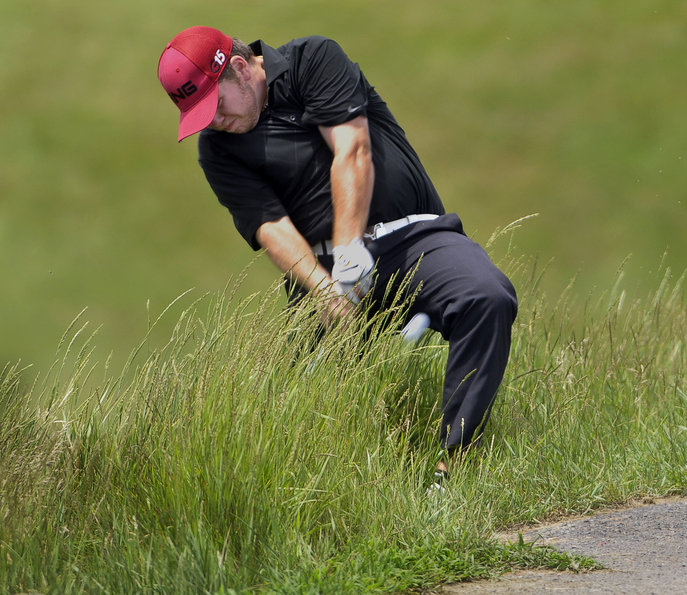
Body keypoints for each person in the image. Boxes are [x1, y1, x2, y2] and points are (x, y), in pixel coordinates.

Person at [157, 26, 517, 479]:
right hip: (321, 276)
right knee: (300, 416)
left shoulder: (312, 60)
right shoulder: (217, 150)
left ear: (241, 69)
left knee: (487, 295)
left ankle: (456, 466)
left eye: (217, 105)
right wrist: (329, 290)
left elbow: (352, 148)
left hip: (411, 238)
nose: (213, 121)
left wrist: (350, 251)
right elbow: (270, 226)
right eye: (201, 115)